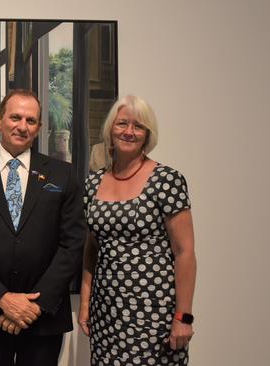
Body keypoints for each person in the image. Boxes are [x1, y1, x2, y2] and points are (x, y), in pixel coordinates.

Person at [0, 89, 86, 366]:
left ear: (39, 127)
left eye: (31, 120)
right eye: (15, 117)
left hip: (43, 316)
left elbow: (72, 244)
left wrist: (34, 305)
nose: (22, 126)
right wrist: (3, 299)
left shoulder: (63, 174)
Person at [79, 95, 197, 365]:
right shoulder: (93, 183)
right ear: (111, 128)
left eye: (139, 126)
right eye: (122, 123)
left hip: (154, 315)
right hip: (105, 312)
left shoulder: (167, 180)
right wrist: (85, 302)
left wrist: (184, 317)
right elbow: (92, 247)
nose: (129, 132)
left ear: (148, 135)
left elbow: (185, 252)